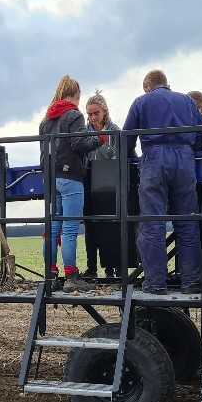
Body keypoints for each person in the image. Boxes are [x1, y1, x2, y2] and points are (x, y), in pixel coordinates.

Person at [123, 70, 202, 294]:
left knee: (153, 224)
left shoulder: (141, 102)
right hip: (184, 161)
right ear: (166, 84)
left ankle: (156, 284)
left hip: (154, 160)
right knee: (188, 222)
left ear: (147, 86)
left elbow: (126, 139)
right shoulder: (188, 101)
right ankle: (191, 282)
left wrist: (131, 158)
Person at [40, 75, 101, 291]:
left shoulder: (46, 120)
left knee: (53, 228)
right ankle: (72, 277)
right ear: (75, 95)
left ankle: (50, 274)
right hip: (70, 178)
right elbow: (79, 143)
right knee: (71, 229)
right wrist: (99, 138)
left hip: (50, 178)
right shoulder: (73, 115)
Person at [81, 90, 120, 279]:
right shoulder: (84, 132)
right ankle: (91, 268)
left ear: (104, 111)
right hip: (89, 181)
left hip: (109, 182)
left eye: (96, 113)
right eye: (89, 114)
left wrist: (100, 138)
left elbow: (114, 154)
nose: (92, 117)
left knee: (110, 226)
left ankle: (112, 268)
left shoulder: (114, 129)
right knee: (90, 227)